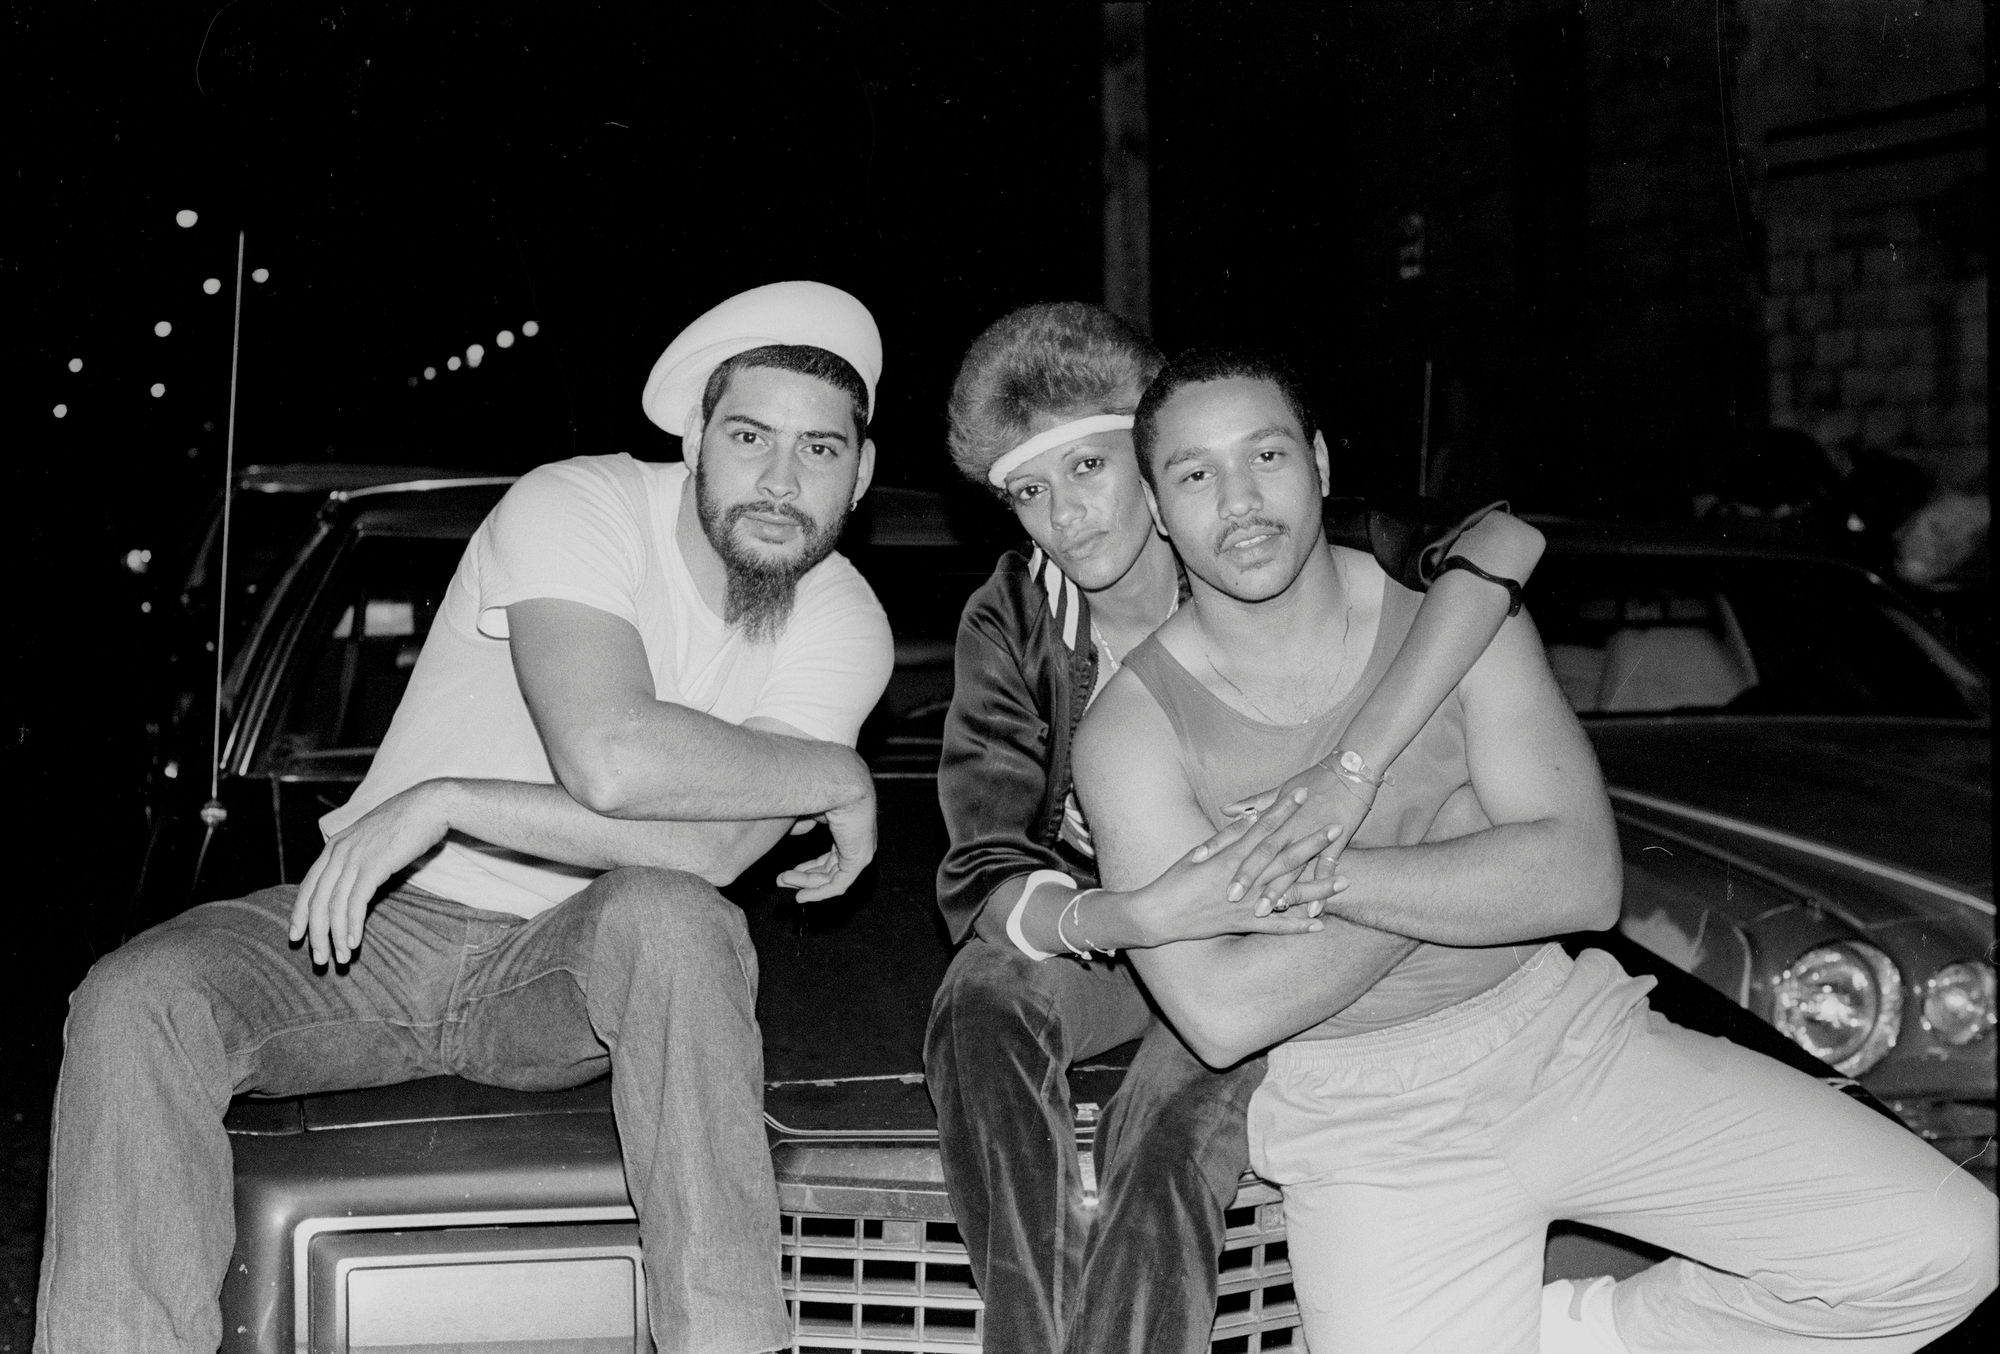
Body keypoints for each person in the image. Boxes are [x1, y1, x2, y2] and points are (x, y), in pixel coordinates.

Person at [1072, 344, 1996, 1354]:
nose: (1239, 501)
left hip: (1563, 1037)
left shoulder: (1450, 623)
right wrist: (1459, 830)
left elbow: (1577, 879)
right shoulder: (1129, 729)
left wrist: (1322, 870)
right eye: (1195, 474)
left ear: (1321, 463)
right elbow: (1219, 1011)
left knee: (1947, 1246)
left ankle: (1572, 1332)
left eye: (1266, 456)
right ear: (1158, 509)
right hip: (1360, 1117)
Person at [38, 281, 895, 1354]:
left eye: (820, 449)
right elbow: (610, 750)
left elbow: (710, 848)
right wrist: (825, 775)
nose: (780, 477)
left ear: (859, 474)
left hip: (571, 960)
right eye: (750, 435)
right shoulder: (574, 505)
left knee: (675, 916)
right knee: (134, 998)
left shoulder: (843, 618)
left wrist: (448, 801)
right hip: (375, 926)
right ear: (694, 441)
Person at [926, 302, 1547, 1353]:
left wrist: (1361, 762)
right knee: (977, 1005)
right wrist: (1141, 910)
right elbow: (981, 861)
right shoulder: (1013, 612)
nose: (1064, 518)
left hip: (1275, 930)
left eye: (1087, 470)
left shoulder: (1262, 535)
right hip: (1128, 924)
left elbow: (1501, 537)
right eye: (1028, 492)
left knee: (1167, 1134)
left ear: (1156, 460)